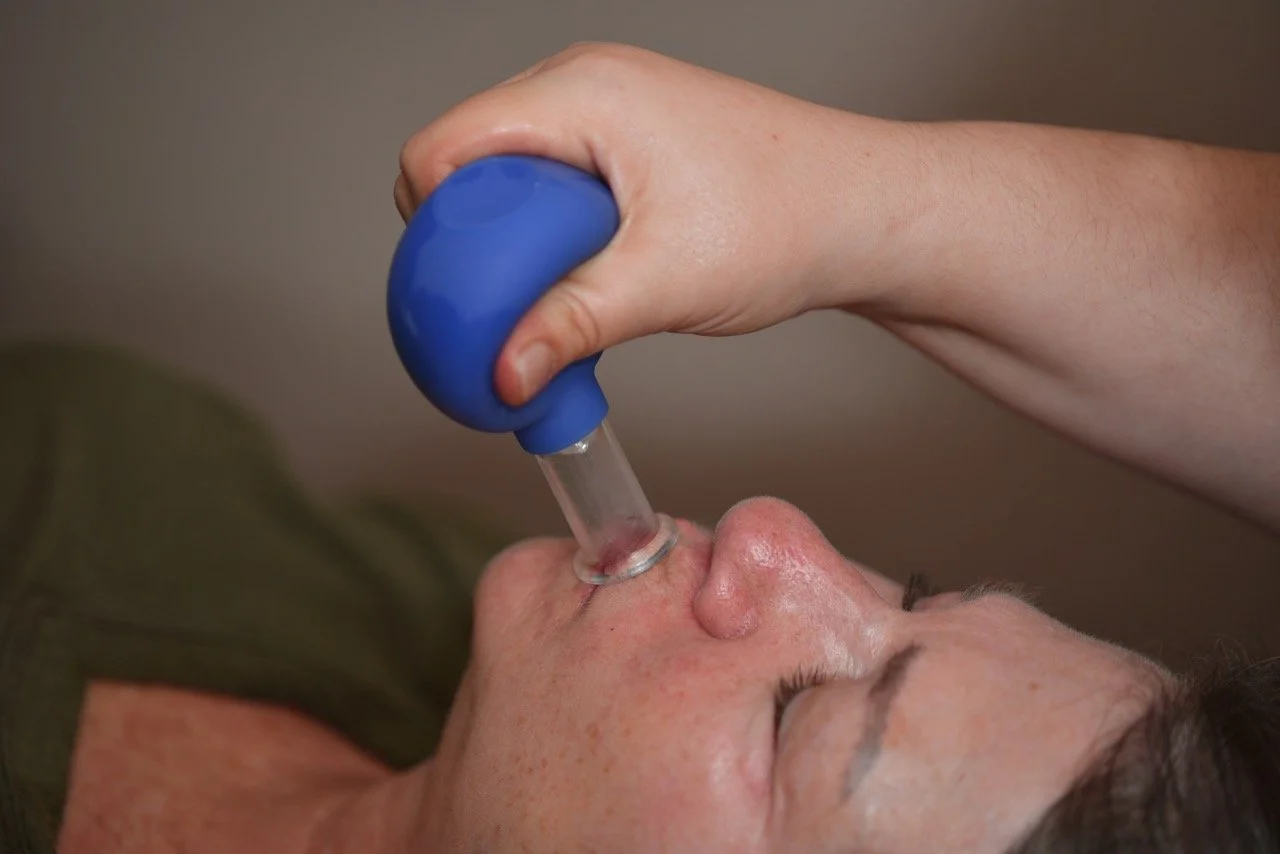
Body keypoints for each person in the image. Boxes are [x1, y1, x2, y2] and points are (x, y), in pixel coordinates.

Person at [2, 42, 1276, 853]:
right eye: (919, 595)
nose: (778, 534)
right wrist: (854, 202)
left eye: (800, 726)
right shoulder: (440, 605)